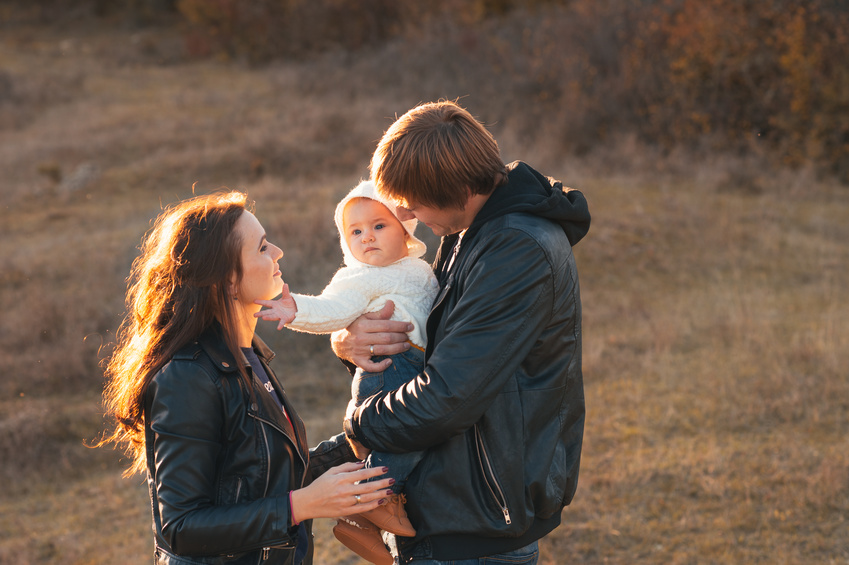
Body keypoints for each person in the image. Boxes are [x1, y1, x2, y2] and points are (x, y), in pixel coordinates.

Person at [332, 101, 591, 564]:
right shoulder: (472, 230)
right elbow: (434, 350)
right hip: (454, 500)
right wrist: (352, 344)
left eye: (412, 198)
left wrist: (358, 423)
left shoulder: (516, 250)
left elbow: (447, 397)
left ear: (453, 187)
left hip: (477, 519)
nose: (405, 211)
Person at [97, 191, 394, 565]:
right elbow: (181, 525)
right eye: (263, 247)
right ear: (229, 281)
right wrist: (300, 505)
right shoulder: (188, 376)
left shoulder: (247, 357)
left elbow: (267, 477)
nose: (278, 252)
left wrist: (362, 438)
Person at [254, 180, 439, 564]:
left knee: (405, 436)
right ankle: (374, 497)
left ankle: (364, 520)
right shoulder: (358, 276)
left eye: (378, 226)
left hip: (411, 364)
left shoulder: (416, 268)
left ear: (405, 229)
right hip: (391, 366)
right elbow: (333, 308)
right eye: (355, 231)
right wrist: (296, 310)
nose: (366, 238)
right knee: (413, 433)